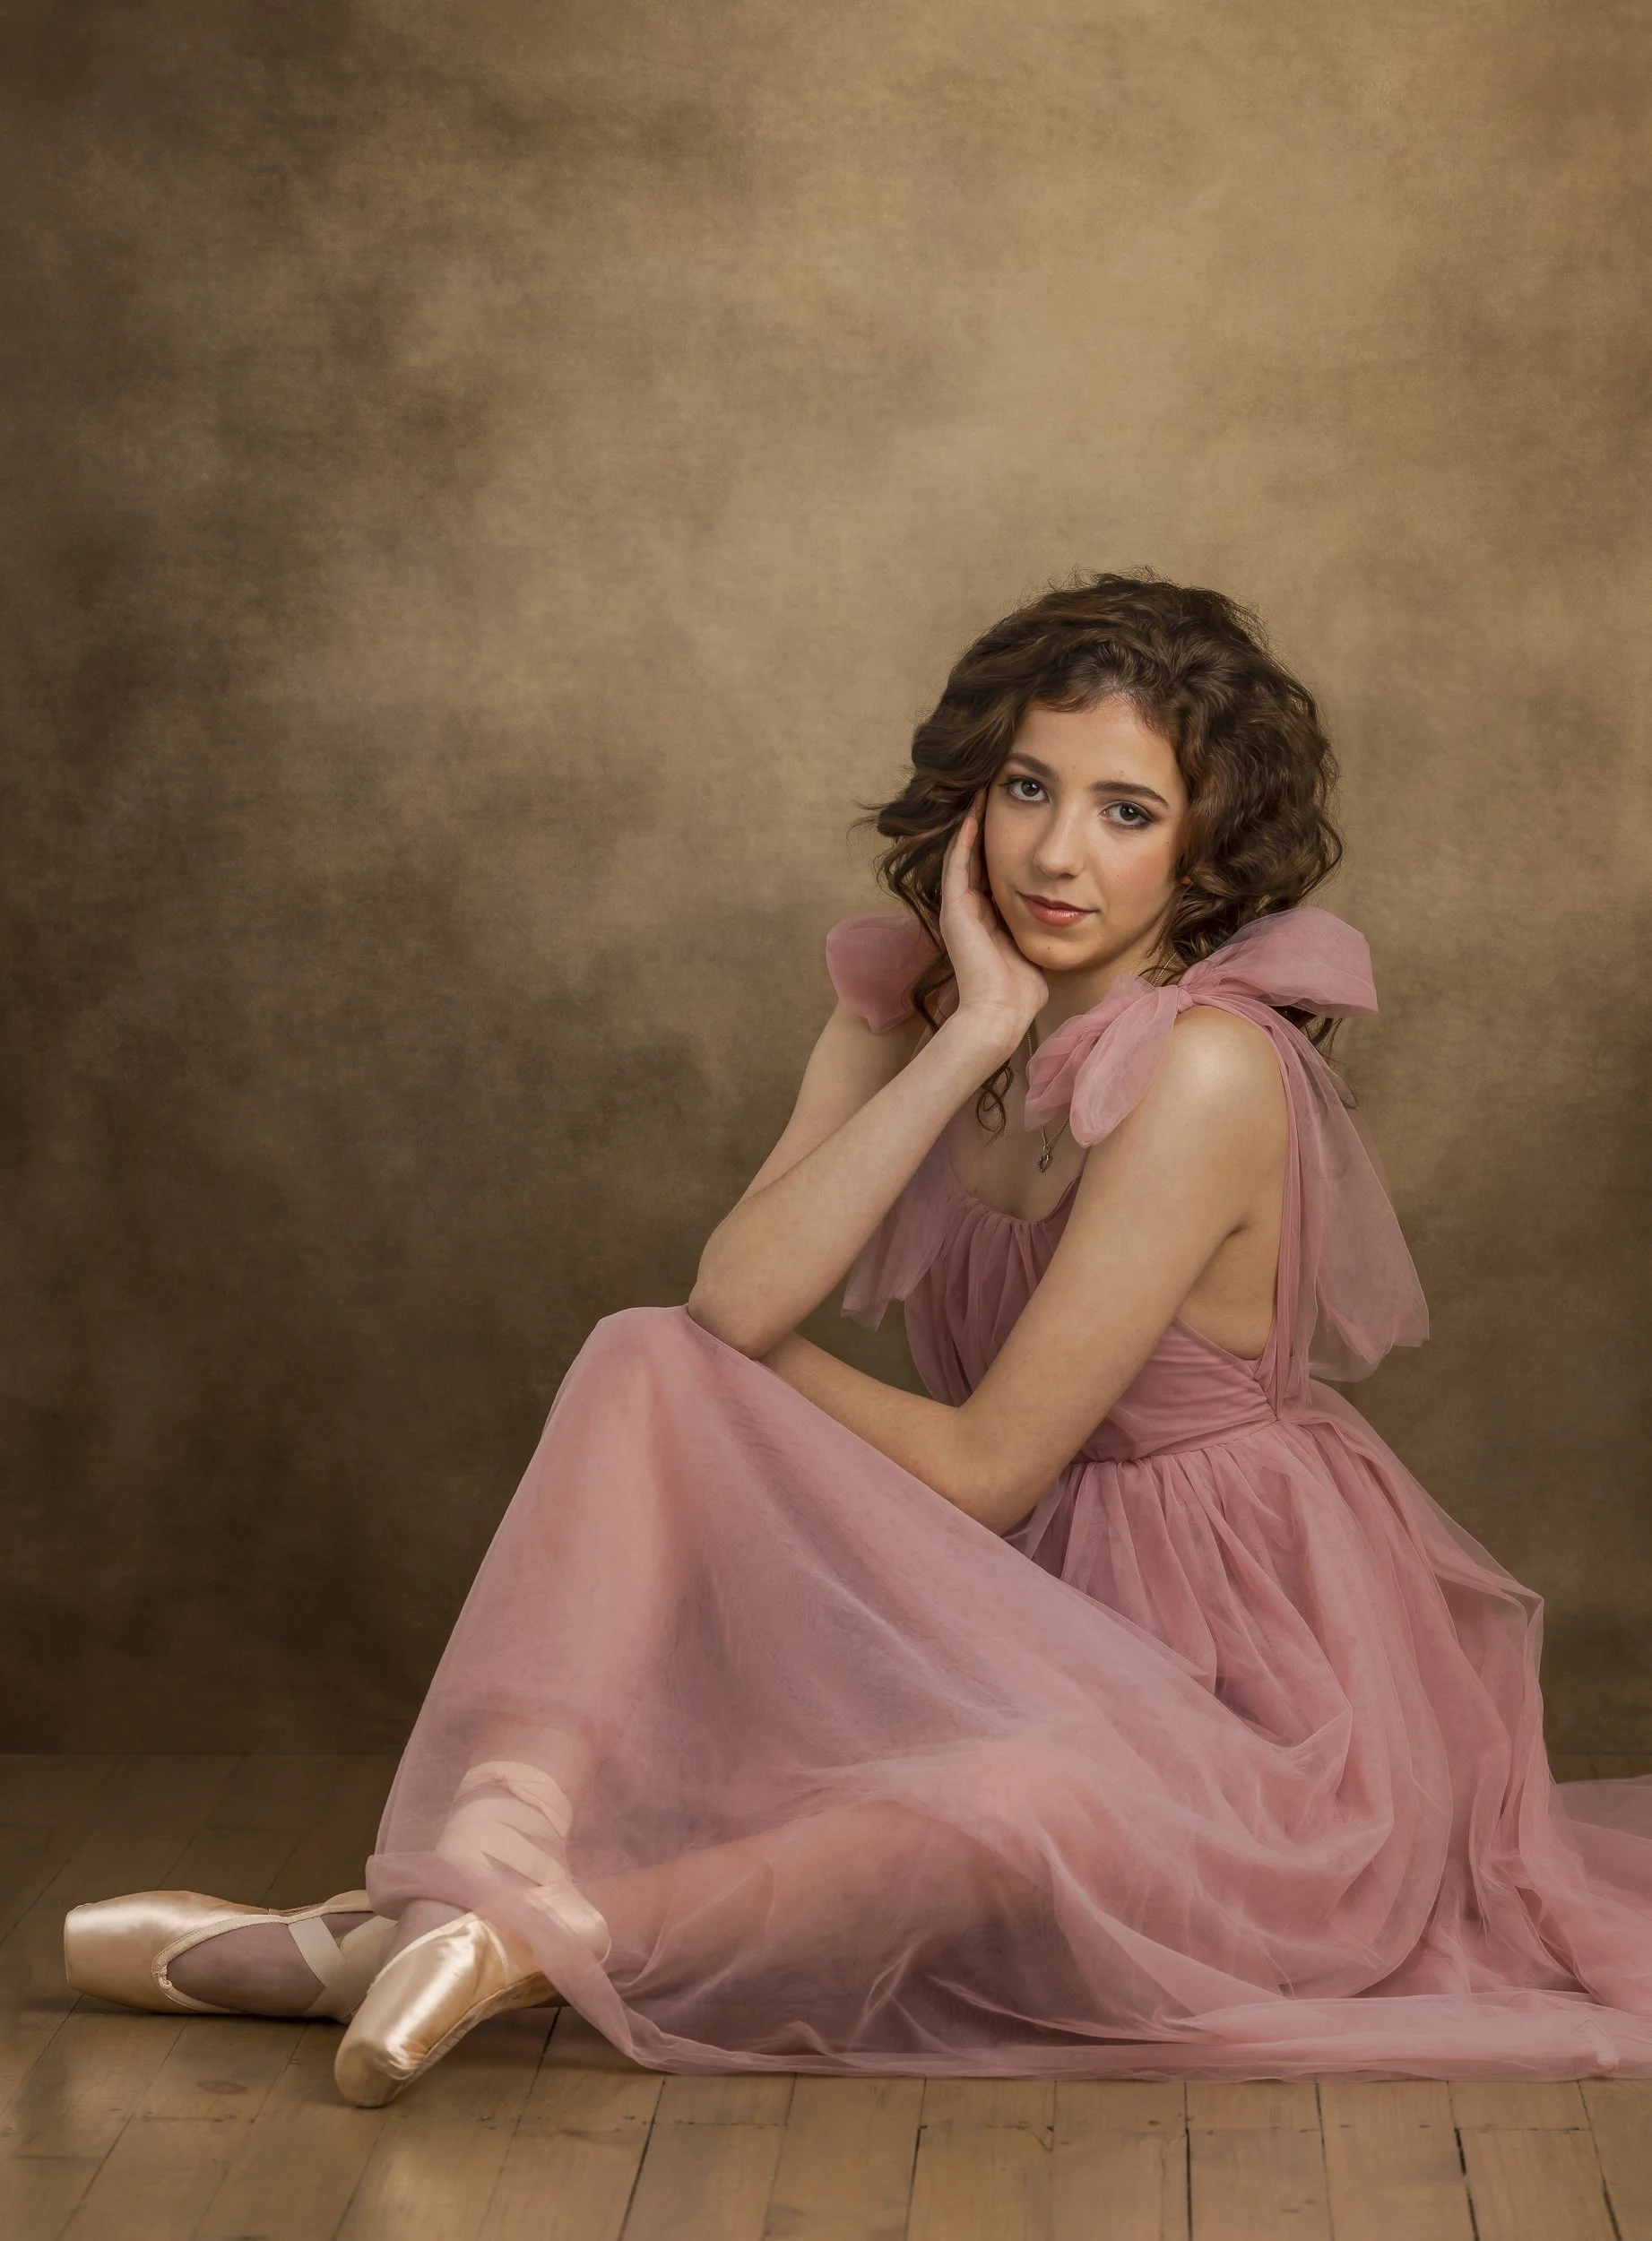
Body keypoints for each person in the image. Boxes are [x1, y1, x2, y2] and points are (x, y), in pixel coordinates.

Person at [65, 574, 1652, 2106]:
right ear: (971, 797)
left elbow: (981, 1464)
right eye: (1028, 788)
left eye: (1125, 811)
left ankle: (483, 1947)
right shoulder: (916, 1003)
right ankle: (494, 1846)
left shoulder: (1207, 1072)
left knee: (1012, 1808)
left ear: (1205, 848)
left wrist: (736, 1389)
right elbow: (729, 1299)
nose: (1056, 852)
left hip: (1253, 1689)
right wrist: (965, 1028)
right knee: (644, 1352)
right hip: (1022, 1604)